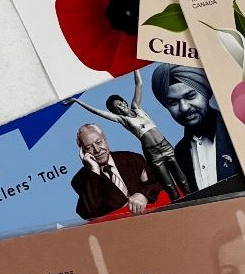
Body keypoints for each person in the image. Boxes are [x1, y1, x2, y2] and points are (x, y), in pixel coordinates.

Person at [64, 72, 186, 202]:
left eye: (121, 104)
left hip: (166, 146)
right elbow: (98, 112)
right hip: (153, 154)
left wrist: (135, 68)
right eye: (117, 109)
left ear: (124, 102)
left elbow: (139, 83)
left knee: (183, 179)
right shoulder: (123, 120)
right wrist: (77, 101)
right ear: (115, 112)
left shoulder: (137, 108)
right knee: (168, 184)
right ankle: (178, 205)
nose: (121, 108)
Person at [149, 64, 241, 195]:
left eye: (190, 96)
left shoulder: (239, 131)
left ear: (205, 92)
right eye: (173, 102)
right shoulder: (180, 152)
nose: (184, 107)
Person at [69, 123, 158, 220]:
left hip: (152, 218)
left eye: (99, 142)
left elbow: (160, 181)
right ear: (83, 152)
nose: (97, 150)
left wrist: (144, 194)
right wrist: (94, 171)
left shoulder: (133, 159)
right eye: (89, 147)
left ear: (105, 140)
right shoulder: (80, 179)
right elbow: (89, 213)